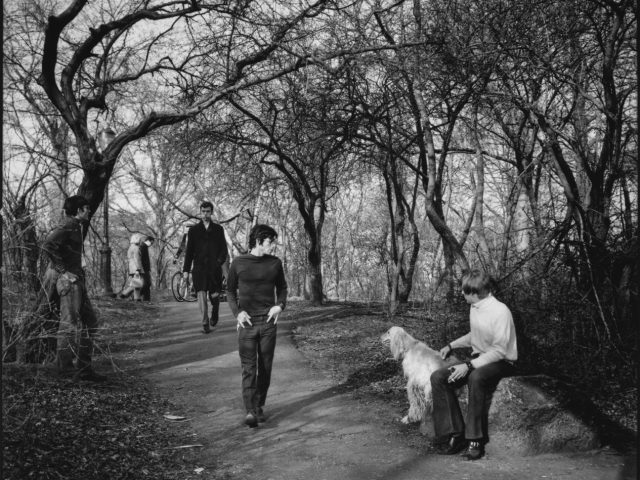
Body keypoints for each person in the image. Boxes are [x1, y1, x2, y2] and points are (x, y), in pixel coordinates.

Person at [430, 269, 517, 460]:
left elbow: (500, 350)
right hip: (480, 359)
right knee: (438, 377)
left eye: (464, 291)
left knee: (476, 377)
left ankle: (475, 439)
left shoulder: (500, 311)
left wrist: (469, 366)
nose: (462, 294)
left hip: (501, 361)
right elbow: (474, 336)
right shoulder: (475, 307)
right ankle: (455, 433)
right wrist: (451, 345)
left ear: (475, 293)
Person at [227, 224, 288, 428]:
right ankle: (251, 411)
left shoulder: (275, 263)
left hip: (268, 323)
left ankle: (259, 405)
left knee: (265, 368)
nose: (273, 246)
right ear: (259, 241)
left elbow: (282, 288)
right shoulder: (238, 263)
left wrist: (279, 305)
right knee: (249, 368)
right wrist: (238, 313)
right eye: (270, 242)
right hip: (247, 323)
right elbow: (229, 292)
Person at [42, 195, 107, 382]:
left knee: (90, 322)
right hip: (69, 282)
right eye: (86, 208)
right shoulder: (68, 225)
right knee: (69, 326)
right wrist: (64, 272)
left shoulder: (76, 226)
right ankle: (65, 373)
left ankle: (84, 369)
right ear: (78, 210)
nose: (89, 211)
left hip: (78, 280)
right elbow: (48, 245)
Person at [182, 201, 228, 333]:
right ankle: (205, 323)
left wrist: (218, 262)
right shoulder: (194, 230)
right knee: (201, 295)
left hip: (214, 270)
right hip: (199, 269)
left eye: (208, 211)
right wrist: (186, 270)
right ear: (200, 212)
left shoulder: (218, 229)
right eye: (203, 211)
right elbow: (189, 252)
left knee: (214, 296)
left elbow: (223, 250)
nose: (205, 214)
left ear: (211, 212)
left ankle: (215, 312)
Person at [118, 233, 144, 301]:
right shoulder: (136, 248)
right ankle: (123, 295)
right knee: (136, 285)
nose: (140, 241)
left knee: (136, 285)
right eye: (139, 239)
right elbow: (137, 259)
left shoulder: (130, 247)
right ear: (137, 239)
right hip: (136, 269)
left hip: (132, 269)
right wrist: (138, 269)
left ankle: (136, 299)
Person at [140, 236, 154, 301]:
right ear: (148, 240)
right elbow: (142, 259)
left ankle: (147, 299)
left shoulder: (145, 246)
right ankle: (139, 296)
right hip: (144, 269)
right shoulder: (143, 247)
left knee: (148, 284)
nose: (152, 244)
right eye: (151, 242)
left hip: (146, 268)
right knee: (147, 284)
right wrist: (142, 268)